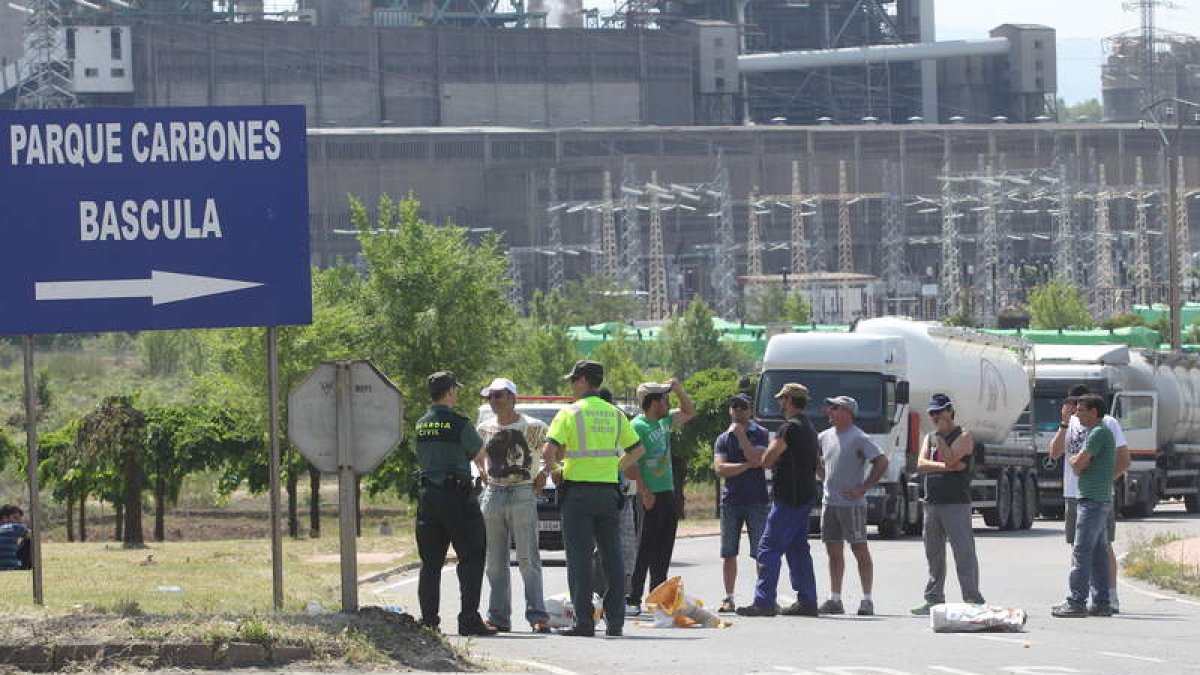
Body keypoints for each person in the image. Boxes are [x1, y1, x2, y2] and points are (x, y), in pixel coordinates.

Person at [542, 360, 646, 637]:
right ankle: (615, 622)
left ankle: (584, 622)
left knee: (579, 559)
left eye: (573, 380)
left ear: (584, 381)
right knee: (612, 557)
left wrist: (556, 473)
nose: (571, 385)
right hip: (608, 493)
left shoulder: (569, 413)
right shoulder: (615, 414)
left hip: (577, 493)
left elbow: (547, 452)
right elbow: (637, 450)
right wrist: (614, 468)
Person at [413, 371, 496, 636]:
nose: (457, 394)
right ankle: (469, 619)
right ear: (449, 391)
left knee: (430, 561)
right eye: (455, 390)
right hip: (456, 496)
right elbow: (479, 453)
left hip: (428, 497)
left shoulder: (421, 424)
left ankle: (428, 621)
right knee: (472, 555)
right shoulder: (459, 423)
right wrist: (482, 472)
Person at [474, 377, 552, 634]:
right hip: (494, 492)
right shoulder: (484, 428)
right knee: (495, 561)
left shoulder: (532, 426)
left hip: (522, 492)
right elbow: (477, 454)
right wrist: (482, 472)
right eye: (490, 396)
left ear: (512, 397)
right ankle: (498, 617)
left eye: (498, 395)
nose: (493, 401)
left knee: (528, 557)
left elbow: (551, 450)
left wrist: (544, 472)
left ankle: (538, 616)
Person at [736, 383, 820, 618]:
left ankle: (764, 602)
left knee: (768, 548)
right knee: (797, 550)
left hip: (789, 498)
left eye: (782, 399)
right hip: (804, 496)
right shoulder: (809, 427)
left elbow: (767, 459)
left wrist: (750, 447)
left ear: (790, 400)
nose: (779, 403)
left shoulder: (789, 428)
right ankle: (807, 601)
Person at [1049, 384, 1130, 613]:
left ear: (1094, 410)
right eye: (1073, 405)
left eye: (1080, 407)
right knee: (1093, 549)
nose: (1075, 410)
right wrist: (1064, 423)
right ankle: (1101, 601)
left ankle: (1079, 600)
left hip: (1094, 496)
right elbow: (1055, 455)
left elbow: (1080, 463)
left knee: (1086, 550)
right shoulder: (1076, 424)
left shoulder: (1102, 429)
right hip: (1078, 495)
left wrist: (1102, 478)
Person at [911, 393, 986, 615]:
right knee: (933, 552)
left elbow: (952, 457)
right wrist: (946, 467)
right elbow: (922, 465)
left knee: (963, 551)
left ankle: (972, 596)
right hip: (932, 501)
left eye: (939, 412)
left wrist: (942, 443)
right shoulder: (929, 437)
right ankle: (933, 597)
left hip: (956, 502)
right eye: (932, 413)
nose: (935, 417)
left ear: (950, 411)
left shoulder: (964, 436)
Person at [816, 396, 888, 617]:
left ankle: (867, 599)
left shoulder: (859, 437)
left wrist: (864, 487)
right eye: (831, 407)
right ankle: (835, 599)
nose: (831, 411)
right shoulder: (824, 436)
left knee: (859, 548)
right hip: (830, 503)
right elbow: (817, 459)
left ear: (848, 412)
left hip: (852, 504)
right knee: (833, 550)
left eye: (836, 408)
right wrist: (823, 477)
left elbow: (881, 461)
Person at [627, 379, 695, 610]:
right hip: (650, 494)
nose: (668, 402)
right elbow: (630, 465)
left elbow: (689, 411)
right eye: (665, 398)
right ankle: (633, 598)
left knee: (664, 548)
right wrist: (644, 492)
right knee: (645, 547)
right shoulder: (638, 426)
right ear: (654, 402)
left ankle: (657, 598)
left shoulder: (665, 421)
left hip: (668, 492)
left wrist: (678, 389)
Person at [713, 393, 770, 614]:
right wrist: (746, 465)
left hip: (756, 501)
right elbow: (720, 469)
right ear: (730, 410)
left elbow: (759, 460)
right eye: (734, 407)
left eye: (743, 407)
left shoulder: (761, 433)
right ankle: (729, 597)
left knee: (760, 553)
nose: (738, 411)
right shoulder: (722, 439)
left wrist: (743, 439)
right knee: (728, 552)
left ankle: (763, 596)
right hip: (731, 501)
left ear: (750, 411)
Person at [0, 505, 30, 571]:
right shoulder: (15, 527)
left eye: (19, 519)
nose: (19, 521)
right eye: (15, 518)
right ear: (5, 518)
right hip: (10, 567)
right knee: (30, 541)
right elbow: (33, 535)